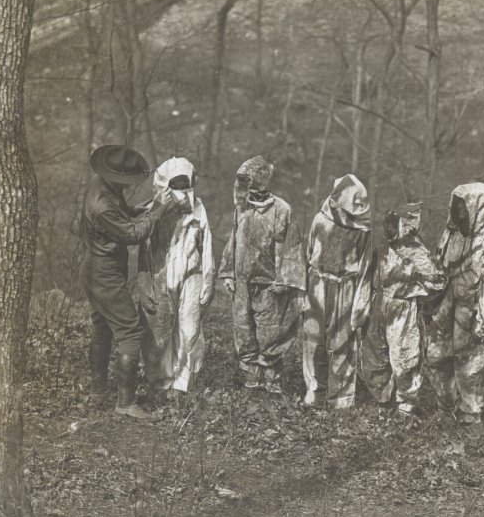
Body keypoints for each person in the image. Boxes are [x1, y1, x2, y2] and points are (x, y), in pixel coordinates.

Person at [80, 144, 177, 420]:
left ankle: (98, 390)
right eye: (123, 181)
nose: (126, 185)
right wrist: (156, 210)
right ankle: (126, 403)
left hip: (97, 268)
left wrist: (142, 208)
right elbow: (133, 234)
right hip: (103, 273)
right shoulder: (101, 205)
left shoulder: (104, 186)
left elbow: (123, 213)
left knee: (102, 325)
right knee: (131, 332)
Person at [217, 156, 307, 394]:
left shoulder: (282, 209)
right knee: (243, 329)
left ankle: (272, 382)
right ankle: (251, 379)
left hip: (270, 285)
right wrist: (228, 273)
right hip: (243, 282)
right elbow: (233, 241)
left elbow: (292, 246)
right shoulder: (242, 208)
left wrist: (286, 280)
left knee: (270, 334)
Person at [426, 182, 484, 425]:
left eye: (465, 208)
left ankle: (470, 415)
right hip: (445, 302)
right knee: (436, 355)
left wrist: (483, 320)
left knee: (469, 364)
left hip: (472, 308)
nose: (461, 213)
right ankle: (446, 407)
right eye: (458, 207)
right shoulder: (451, 232)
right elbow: (439, 263)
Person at [137, 157, 215, 395]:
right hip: (162, 274)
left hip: (192, 274)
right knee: (158, 332)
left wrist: (208, 282)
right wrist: (145, 283)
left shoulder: (198, 210)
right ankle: (160, 382)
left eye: (185, 184)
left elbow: (207, 246)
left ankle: (183, 384)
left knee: (190, 331)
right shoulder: (154, 211)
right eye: (176, 185)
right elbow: (144, 248)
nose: (181, 191)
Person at [359, 202, 445, 416]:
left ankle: (405, 405)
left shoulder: (416, 250)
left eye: (392, 225)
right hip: (379, 303)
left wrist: (412, 289)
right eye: (386, 224)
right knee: (374, 353)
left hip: (402, 308)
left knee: (404, 356)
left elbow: (438, 281)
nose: (388, 229)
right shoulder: (384, 245)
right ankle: (383, 400)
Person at [302, 174, 373, 409]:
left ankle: (341, 399)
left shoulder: (362, 230)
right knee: (314, 337)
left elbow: (364, 266)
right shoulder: (320, 220)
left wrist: (361, 302)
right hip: (318, 284)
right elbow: (310, 252)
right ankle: (315, 390)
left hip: (346, 287)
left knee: (343, 340)